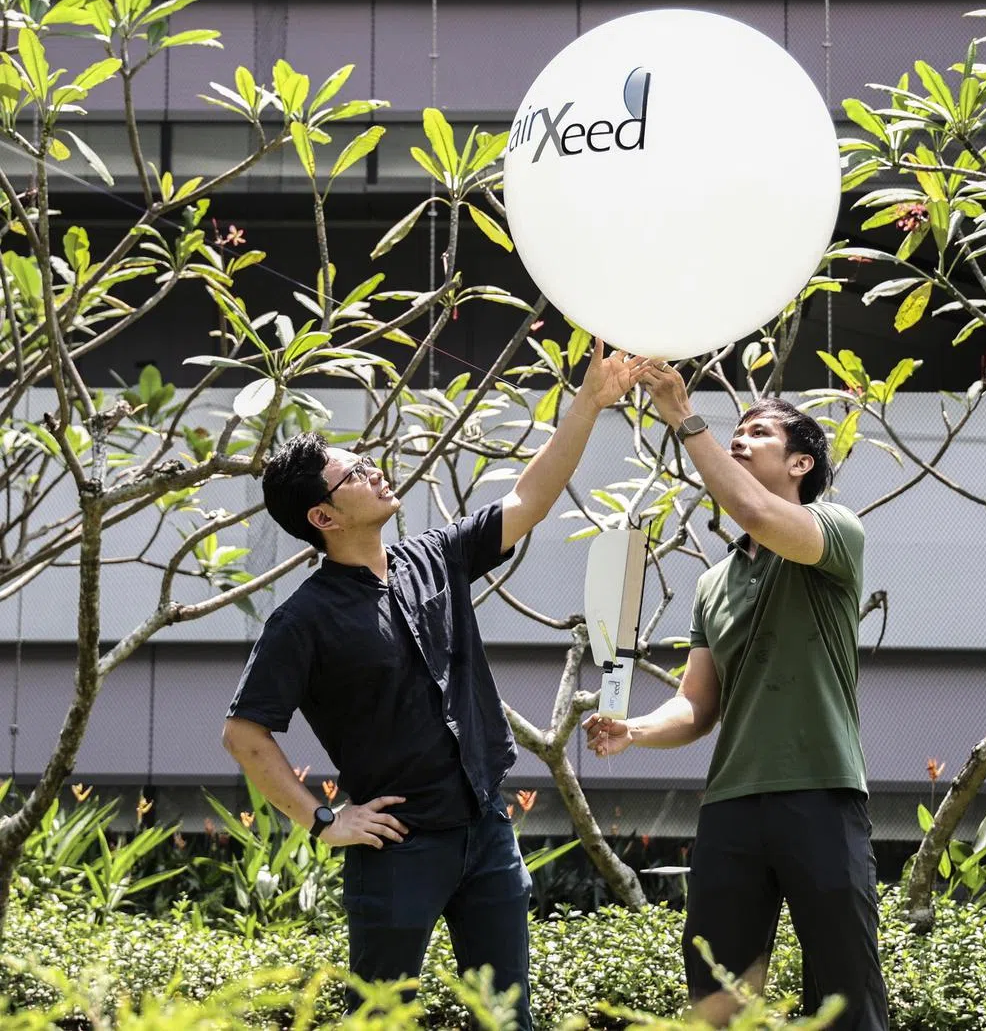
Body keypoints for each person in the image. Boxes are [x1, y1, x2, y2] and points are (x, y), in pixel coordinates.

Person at [223, 340, 647, 1026]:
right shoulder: (302, 620)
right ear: (323, 518)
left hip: (486, 829)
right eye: (355, 474)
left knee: (506, 1018)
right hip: (397, 846)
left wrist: (590, 403)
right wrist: (324, 822)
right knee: (382, 1019)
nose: (376, 473)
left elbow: (528, 498)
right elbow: (244, 733)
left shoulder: (433, 557)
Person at [583, 364, 888, 1031]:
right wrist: (636, 729)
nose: (740, 439)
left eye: (759, 433)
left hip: (821, 792)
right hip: (730, 807)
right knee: (717, 997)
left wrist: (682, 417)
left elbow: (752, 511)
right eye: (736, 432)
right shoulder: (712, 583)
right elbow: (697, 704)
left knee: (846, 995)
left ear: (801, 463)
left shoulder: (835, 529)